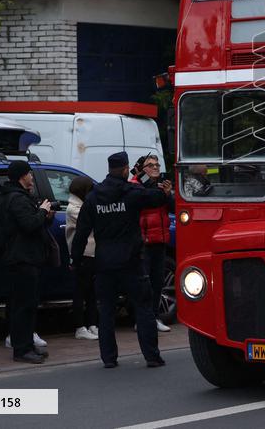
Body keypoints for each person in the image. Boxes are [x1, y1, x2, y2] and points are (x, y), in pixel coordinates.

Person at [71, 151, 171, 369]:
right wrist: (159, 187)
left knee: (105, 312)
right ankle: (152, 357)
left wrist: (75, 260)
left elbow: (81, 233)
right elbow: (156, 197)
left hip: (105, 264)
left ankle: (109, 358)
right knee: (143, 309)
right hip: (132, 263)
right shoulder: (131, 192)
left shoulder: (93, 197)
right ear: (126, 170)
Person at [0, 160, 54, 363]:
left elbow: (34, 224)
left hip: (28, 257)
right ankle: (21, 349)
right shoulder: (17, 199)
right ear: (23, 176)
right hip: (22, 259)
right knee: (22, 306)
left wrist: (45, 216)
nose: (32, 177)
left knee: (29, 304)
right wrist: (41, 211)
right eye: (30, 174)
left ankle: (28, 345)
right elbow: (29, 224)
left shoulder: (22, 197)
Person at [132, 155, 174, 333]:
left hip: (160, 239)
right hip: (144, 240)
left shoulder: (160, 187)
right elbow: (145, 202)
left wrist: (168, 194)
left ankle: (155, 316)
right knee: (144, 283)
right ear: (142, 169)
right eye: (151, 165)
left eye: (157, 165)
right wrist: (158, 191)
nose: (156, 167)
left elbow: (173, 207)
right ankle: (141, 319)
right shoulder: (136, 185)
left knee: (158, 282)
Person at [64, 175, 97, 341]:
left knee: (92, 291)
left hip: (92, 253)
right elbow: (93, 222)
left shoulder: (83, 204)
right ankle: (80, 327)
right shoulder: (74, 208)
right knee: (80, 291)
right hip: (82, 254)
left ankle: (92, 324)